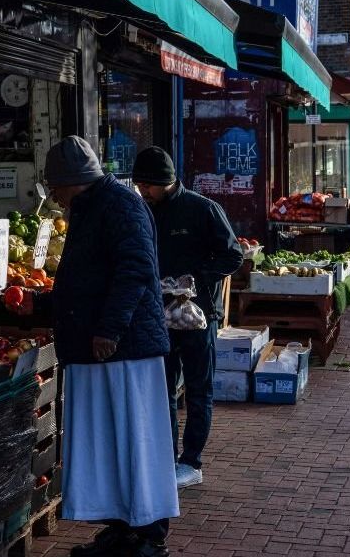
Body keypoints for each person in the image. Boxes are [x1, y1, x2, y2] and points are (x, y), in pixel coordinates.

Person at [43, 136, 178, 557]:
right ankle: (123, 525)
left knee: (135, 435)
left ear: (71, 181)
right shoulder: (91, 206)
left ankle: (147, 533)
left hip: (124, 348)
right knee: (110, 438)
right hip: (101, 345)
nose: (54, 196)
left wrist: (109, 330)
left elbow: (135, 270)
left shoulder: (120, 205)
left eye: (55, 187)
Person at [131, 147, 243, 489]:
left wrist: (195, 279)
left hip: (198, 316)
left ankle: (191, 461)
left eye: (147, 186)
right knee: (162, 389)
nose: (142, 191)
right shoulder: (143, 210)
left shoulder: (203, 209)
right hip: (157, 316)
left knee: (197, 389)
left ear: (165, 182)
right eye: (139, 185)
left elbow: (233, 255)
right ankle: (165, 458)